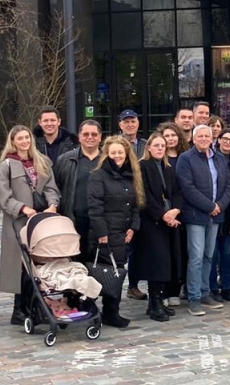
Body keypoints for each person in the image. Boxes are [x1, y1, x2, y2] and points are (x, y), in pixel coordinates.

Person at [0, 125, 60, 326]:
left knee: (38, 264)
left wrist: (53, 204)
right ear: (13, 141)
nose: (25, 141)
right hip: (18, 222)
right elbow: (3, 197)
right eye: (20, 138)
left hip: (41, 221)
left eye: (27, 137)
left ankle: (38, 305)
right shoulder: (7, 165)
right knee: (21, 267)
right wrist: (22, 208)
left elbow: (51, 187)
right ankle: (19, 309)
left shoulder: (42, 161)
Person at [175, 124, 230, 316]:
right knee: (196, 256)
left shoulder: (220, 158)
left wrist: (220, 205)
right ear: (193, 138)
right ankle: (194, 297)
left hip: (216, 216)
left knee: (209, 255)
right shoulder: (186, 159)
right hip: (195, 215)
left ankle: (206, 292)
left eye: (207, 136)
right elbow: (187, 188)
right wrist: (210, 206)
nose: (204, 139)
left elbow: (228, 185)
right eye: (200, 136)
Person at [88, 136, 143, 329]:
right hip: (105, 233)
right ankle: (93, 310)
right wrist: (102, 232)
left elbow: (136, 204)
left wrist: (133, 227)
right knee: (103, 273)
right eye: (113, 152)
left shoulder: (131, 175)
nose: (117, 156)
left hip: (123, 232)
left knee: (117, 273)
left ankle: (111, 312)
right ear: (107, 154)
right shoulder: (98, 175)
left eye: (121, 152)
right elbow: (95, 206)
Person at [135, 133, 184, 322]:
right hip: (152, 222)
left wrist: (175, 211)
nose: (160, 148)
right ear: (149, 147)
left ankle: (158, 301)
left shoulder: (169, 168)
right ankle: (154, 303)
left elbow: (178, 192)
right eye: (156, 145)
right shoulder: (142, 167)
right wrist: (163, 215)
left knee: (167, 263)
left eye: (162, 146)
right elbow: (144, 195)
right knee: (156, 264)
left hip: (170, 221)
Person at [52, 119, 105, 262]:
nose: (90, 137)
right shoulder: (64, 160)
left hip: (101, 223)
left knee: (99, 267)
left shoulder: (108, 160)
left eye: (94, 134)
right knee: (75, 266)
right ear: (79, 136)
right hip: (73, 222)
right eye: (86, 134)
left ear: (100, 137)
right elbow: (55, 188)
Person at [207, 129, 230, 304]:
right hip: (213, 208)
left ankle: (227, 286)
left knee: (227, 251)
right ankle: (213, 287)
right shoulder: (212, 157)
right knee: (212, 252)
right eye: (225, 139)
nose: (228, 142)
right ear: (219, 140)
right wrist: (217, 204)